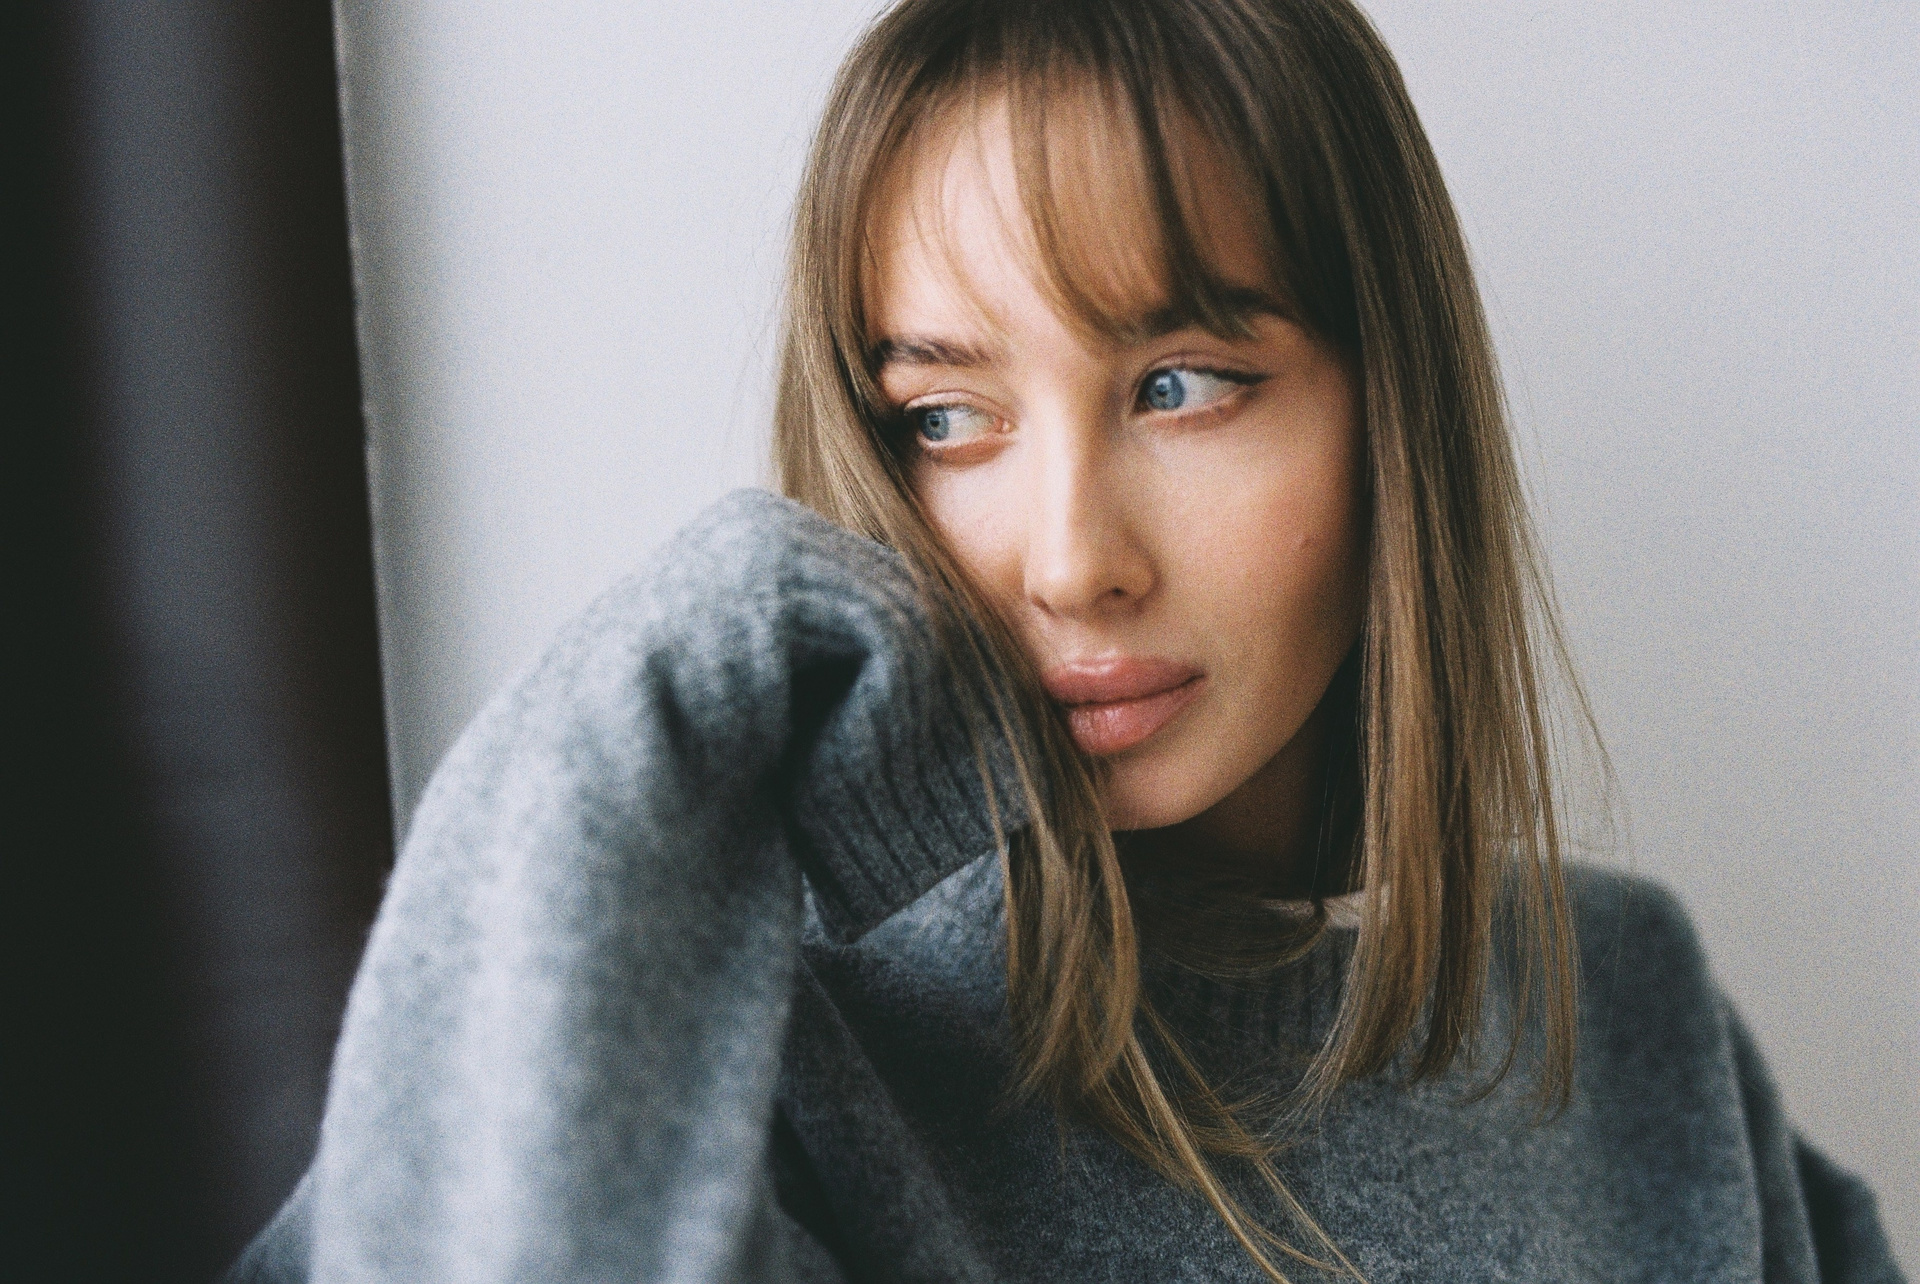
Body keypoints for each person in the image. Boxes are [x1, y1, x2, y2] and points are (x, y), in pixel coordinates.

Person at [227, 1, 1904, 1280]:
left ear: (1389, 411)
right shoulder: (763, 1060)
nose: (1070, 560)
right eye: (946, 419)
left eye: (1180, 386)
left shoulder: (1631, 1018)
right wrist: (676, 682)